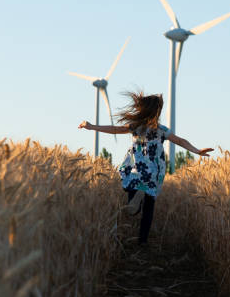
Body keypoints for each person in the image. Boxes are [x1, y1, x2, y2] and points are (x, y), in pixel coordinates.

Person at [78, 91, 213, 245]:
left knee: (131, 191)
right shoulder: (162, 129)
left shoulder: (136, 126)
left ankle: (134, 203)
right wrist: (197, 151)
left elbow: (114, 129)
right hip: (153, 171)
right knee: (149, 207)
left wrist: (92, 126)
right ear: (157, 112)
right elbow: (181, 141)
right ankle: (142, 241)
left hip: (137, 167)